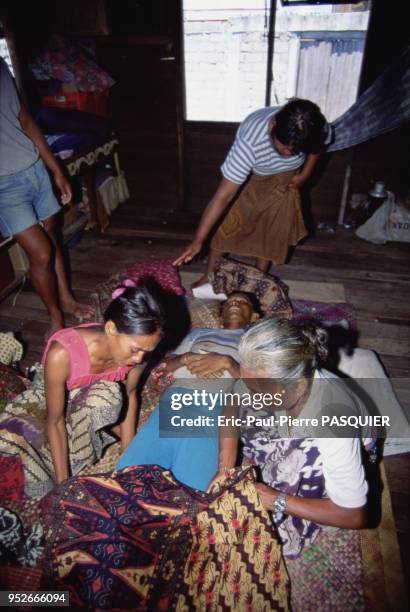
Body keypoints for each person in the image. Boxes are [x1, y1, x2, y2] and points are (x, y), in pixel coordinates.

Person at [213, 318, 373, 560]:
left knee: (297, 465)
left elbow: (354, 515)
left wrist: (276, 500)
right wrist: (225, 468)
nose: (251, 394)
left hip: (333, 443)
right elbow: (233, 401)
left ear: (297, 385)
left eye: (258, 392)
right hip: (292, 421)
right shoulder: (266, 377)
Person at [0, 284, 164, 498]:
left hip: (86, 402)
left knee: (108, 397)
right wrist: (64, 484)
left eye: (146, 351)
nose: (139, 359)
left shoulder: (137, 356)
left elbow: (130, 395)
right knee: (11, 440)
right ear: (111, 329)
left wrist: (128, 458)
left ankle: (91, 439)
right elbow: (55, 420)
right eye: (135, 350)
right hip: (50, 400)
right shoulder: (63, 353)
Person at [173, 99, 330, 287]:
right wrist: (199, 240)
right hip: (252, 176)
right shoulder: (250, 139)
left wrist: (305, 174)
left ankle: (257, 278)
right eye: (282, 146)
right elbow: (223, 196)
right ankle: (210, 275)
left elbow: (317, 148)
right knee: (227, 224)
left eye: (296, 149)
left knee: (270, 229)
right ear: (273, 124)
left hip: (286, 179)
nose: (288, 153)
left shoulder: (314, 127)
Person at [116, 292, 260, 489]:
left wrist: (226, 362)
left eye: (243, 302)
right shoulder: (198, 334)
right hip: (176, 402)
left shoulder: (258, 344)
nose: (234, 303)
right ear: (220, 315)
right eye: (229, 302)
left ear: (254, 316)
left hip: (217, 410)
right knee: (128, 481)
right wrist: (184, 358)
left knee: (193, 492)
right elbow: (163, 367)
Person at [0, 57, 92, 336]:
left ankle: (65, 298)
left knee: (53, 238)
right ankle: (55, 318)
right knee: (41, 253)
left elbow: (25, 120)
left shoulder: (1, 67)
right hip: (4, 186)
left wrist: (56, 170)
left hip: (35, 170)